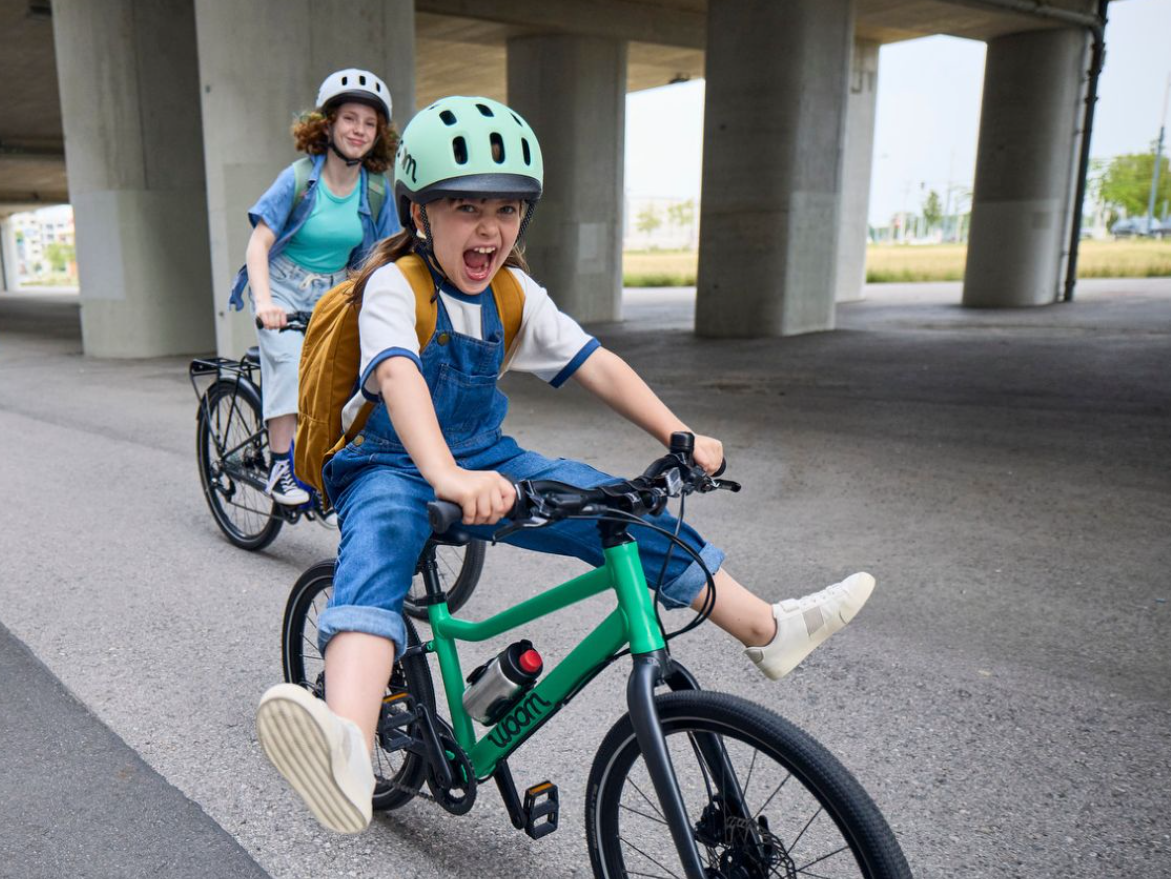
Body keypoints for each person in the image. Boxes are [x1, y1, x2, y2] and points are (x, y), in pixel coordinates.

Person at [255, 98, 877, 835]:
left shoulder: (514, 293)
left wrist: (679, 433)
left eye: (507, 209)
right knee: (382, 544)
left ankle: (768, 629)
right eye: (466, 207)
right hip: (389, 460)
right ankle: (349, 752)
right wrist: (446, 477)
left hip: (484, 457)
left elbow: (595, 363)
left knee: (618, 508)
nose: (490, 229)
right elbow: (397, 375)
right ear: (419, 214)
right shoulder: (396, 285)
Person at [228, 69, 401, 506]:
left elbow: (387, 257)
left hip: (334, 293)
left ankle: (332, 465)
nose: (359, 130)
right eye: (350, 119)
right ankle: (280, 466)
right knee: (289, 365)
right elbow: (258, 244)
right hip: (283, 287)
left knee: (350, 374)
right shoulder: (298, 178)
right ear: (327, 125)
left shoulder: (375, 190)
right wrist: (264, 302)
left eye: (369, 123)